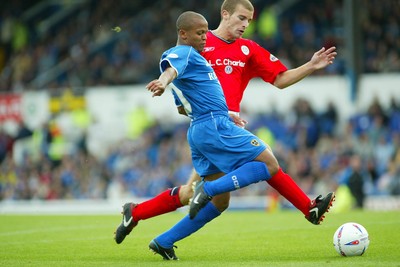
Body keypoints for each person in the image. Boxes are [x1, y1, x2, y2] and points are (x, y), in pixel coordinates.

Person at [115, 0, 336, 259]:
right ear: (225, 14)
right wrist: (189, 100)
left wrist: (310, 66)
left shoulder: (248, 49)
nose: (245, 25)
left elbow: (280, 78)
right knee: (262, 165)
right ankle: (308, 208)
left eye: (249, 21)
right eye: (241, 18)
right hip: (212, 126)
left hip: (218, 127)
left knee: (216, 200)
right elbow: (177, 78)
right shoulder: (197, 42)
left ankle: (144, 221)